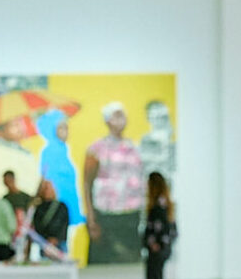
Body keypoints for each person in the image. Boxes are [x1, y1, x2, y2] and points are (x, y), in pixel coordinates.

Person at [84, 101, 145, 264]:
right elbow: (87, 184)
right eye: (116, 115)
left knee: (130, 261)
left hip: (130, 214)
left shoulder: (133, 147)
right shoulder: (97, 148)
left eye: (122, 115)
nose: (121, 119)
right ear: (107, 120)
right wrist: (91, 218)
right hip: (106, 215)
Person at [139, 171, 190, 279]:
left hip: (157, 252)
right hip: (162, 251)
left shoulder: (158, 206)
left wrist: (157, 245)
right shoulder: (165, 203)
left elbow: (164, 230)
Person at [35, 109, 83, 234]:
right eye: (61, 128)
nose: (66, 132)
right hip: (56, 214)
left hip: (69, 212)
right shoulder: (49, 152)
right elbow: (47, 180)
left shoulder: (64, 150)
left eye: (66, 128)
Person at [28, 178, 70, 260]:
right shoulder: (38, 208)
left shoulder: (61, 206)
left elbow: (64, 224)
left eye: (48, 188)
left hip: (59, 243)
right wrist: (46, 240)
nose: (46, 191)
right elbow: (37, 226)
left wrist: (56, 239)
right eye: (44, 188)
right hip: (45, 244)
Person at [137, 99, 176, 178]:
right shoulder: (145, 139)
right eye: (155, 116)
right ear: (149, 117)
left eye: (162, 117)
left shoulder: (172, 141)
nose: (159, 120)